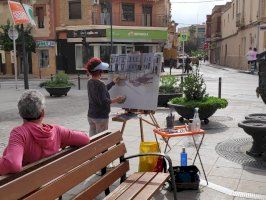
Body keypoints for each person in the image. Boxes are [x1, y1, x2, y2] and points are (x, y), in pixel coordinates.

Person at [0, 90, 90, 175]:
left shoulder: (20, 133)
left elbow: (12, 165)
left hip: (25, 188)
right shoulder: (57, 131)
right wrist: (62, 141)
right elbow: (85, 139)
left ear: (20, 113)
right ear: (42, 113)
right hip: (51, 183)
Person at [86, 57, 125, 137]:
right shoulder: (100, 84)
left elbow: (101, 91)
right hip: (100, 116)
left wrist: (112, 83)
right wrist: (116, 100)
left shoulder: (89, 82)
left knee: (92, 139)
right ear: (100, 71)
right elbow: (104, 101)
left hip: (91, 115)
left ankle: (93, 150)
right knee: (101, 139)